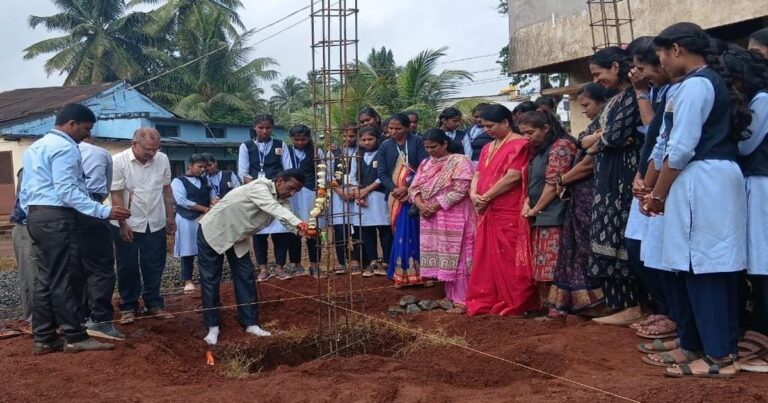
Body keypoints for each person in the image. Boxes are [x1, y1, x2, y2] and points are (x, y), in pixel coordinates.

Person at [643, 23, 749, 378]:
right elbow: (663, 145)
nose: (660, 63)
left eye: (660, 55)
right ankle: (699, 344)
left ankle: (720, 355)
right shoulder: (691, 85)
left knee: (706, 266)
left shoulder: (697, 85)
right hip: (702, 178)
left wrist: (658, 194)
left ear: (675, 49)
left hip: (703, 179)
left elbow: (681, 147)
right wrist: (650, 187)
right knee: (695, 265)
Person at [20, 103, 131, 354]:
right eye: (85, 128)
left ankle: (45, 337)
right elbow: (67, 190)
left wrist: (33, 216)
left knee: (46, 278)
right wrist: (103, 211)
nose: (87, 134)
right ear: (71, 124)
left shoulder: (35, 147)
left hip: (37, 216)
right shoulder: (65, 148)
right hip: (57, 217)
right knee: (65, 278)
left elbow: (26, 189)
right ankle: (75, 336)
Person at [197, 170, 310, 345]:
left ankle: (250, 323)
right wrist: (299, 223)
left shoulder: (283, 201)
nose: (292, 193)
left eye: (297, 191)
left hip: (238, 237)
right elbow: (273, 208)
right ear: (280, 181)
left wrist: (302, 230)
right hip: (215, 231)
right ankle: (212, 327)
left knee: (246, 277)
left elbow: (287, 218)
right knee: (210, 279)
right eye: (291, 188)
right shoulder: (260, 186)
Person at [584, 46, 644, 326]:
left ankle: (634, 306)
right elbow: (582, 138)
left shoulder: (633, 96)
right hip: (607, 178)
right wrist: (599, 140)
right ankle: (618, 304)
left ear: (616, 67)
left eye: (599, 74)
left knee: (622, 240)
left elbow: (616, 138)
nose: (596, 81)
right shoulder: (612, 101)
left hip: (624, 177)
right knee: (606, 239)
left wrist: (600, 141)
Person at [624, 36, 676, 339]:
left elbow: (661, 135)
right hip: (647, 173)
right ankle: (663, 309)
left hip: (661, 177)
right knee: (639, 248)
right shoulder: (656, 89)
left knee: (657, 251)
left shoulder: (675, 91)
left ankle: (672, 314)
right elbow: (652, 135)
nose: (638, 73)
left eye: (641, 67)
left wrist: (641, 93)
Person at [465, 104, 538, 316]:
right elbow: (478, 174)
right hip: (486, 207)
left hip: (508, 208)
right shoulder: (488, 147)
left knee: (510, 255)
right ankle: (491, 298)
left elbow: (513, 176)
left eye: (490, 125)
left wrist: (486, 197)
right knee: (487, 255)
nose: (486, 130)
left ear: (506, 122)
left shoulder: (520, 144)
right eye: (484, 126)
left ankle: (517, 301)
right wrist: (473, 194)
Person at [549, 84, 607, 315]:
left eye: (586, 105)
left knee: (591, 247)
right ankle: (583, 301)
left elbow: (588, 164)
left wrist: (563, 179)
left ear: (602, 102)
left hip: (591, 197)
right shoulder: (594, 127)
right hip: (580, 197)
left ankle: (602, 300)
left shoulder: (608, 126)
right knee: (577, 247)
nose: (583, 110)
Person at [111, 127, 176, 324]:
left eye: (155, 149)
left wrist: (170, 217)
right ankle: (129, 307)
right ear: (134, 144)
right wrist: (123, 225)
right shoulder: (118, 161)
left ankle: (154, 304)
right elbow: (116, 195)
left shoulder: (162, 159)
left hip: (155, 222)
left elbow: (166, 190)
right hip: (128, 223)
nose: (151, 153)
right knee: (127, 265)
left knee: (154, 264)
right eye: (147, 149)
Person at [409, 129, 475, 313]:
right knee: (442, 254)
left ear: (445, 144)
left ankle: (464, 298)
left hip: (453, 213)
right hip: (430, 216)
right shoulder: (425, 163)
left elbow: (462, 188)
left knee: (459, 255)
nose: (430, 151)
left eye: (434, 146)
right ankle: (451, 295)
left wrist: (436, 206)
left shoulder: (460, 160)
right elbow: (413, 188)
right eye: (427, 147)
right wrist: (422, 205)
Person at [519, 111, 577, 316]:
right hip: (542, 213)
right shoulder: (541, 149)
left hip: (555, 214)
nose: (527, 137)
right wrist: (529, 203)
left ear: (546, 129)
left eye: (530, 132)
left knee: (554, 263)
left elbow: (554, 184)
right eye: (523, 133)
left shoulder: (561, 146)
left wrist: (536, 208)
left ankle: (559, 308)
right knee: (544, 262)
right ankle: (551, 306)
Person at [733, 45, 768, 372]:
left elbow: (745, 144)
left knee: (762, 260)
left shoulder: (762, 100)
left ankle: (763, 333)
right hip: (756, 184)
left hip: (761, 184)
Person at [78, 135, 125, 340]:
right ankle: (100, 321)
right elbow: (105, 188)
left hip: (62, 212)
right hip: (92, 208)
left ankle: (77, 319)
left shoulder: (45, 150)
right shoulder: (101, 153)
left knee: (74, 266)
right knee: (101, 267)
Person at [237, 114, 293, 281]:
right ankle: (262, 268)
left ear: (272, 128)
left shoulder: (280, 144)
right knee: (259, 232)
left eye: (268, 128)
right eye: (261, 128)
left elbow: (288, 169)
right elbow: (243, 173)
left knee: (281, 231)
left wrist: (278, 188)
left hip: (278, 193)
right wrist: (260, 189)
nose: (264, 131)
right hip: (257, 195)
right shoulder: (245, 146)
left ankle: (280, 267)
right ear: (254, 127)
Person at [376, 113, 428, 285]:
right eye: (390, 128)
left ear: (407, 128)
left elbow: (423, 168)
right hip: (395, 197)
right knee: (399, 233)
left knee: (416, 232)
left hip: (416, 194)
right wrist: (394, 189)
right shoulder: (385, 146)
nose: (393, 132)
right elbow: (382, 173)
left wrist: (408, 188)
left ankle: (421, 273)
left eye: (397, 129)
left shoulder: (417, 141)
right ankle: (400, 272)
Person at [171, 154, 217, 293]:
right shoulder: (178, 181)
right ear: (190, 165)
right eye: (199, 166)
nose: (202, 169)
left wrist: (214, 202)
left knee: (205, 248)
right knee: (187, 249)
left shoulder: (204, 181)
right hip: (186, 219)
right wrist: (205, 209)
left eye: (204, 167)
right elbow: (182, 201)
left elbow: (212, 196)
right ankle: (188, 280)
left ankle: (207, 279)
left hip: (203, 219)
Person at [350, 127, 392, 277]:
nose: (367, 142)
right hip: (362, 198)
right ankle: (373, 261)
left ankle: (387, 261)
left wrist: (366, 191)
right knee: (366, 230)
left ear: (377, 139)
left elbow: (383, 175)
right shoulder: (357, 155)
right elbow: (352, 176)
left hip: (379, 196)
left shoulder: (383, 152)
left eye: (370, 139)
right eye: (363, 140)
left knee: (384, 229)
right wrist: (358, 194)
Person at [284, 125, 320, 277]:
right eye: (296, 140)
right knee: (294, 229)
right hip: (292, 194)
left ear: (308, 138)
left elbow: (322, 172)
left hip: (311, 193)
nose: (299, 142)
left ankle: (315, 264)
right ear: (291, 139)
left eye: (303, 139)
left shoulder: (317, 151)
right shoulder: (286, 151)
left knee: (313, 228)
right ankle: (296, 264)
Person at [330, 125, 362, 274]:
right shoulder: (334, 152)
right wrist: (339, 191)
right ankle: (341, 262)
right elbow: (327, 174)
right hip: (339, 195)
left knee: (357, 227)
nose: (348, 139)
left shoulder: (361, 151)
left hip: (357, 193)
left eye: (351, 136)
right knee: (340, 228)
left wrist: (355, 190)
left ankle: (356, 259)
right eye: (345, 136)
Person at [9, 169, 33, 335]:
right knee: (31, 275)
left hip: (44, 227)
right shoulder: (30, 169)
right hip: (27, 226)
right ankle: (36, 321)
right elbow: (26, 202)